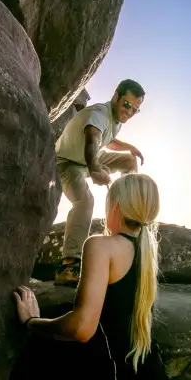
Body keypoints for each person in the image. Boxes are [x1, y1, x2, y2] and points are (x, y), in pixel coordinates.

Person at [12, 173, 170, 380]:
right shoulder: (146, 252)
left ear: (116, 208)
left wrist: (31, 322)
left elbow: (82, 327)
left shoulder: (101, 246)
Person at [54, 79, 146, 287]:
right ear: (115, 97)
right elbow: (93, 139)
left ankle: (127, 215)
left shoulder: (116, 118)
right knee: (85, 201)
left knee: (128, 161)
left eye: (135, 110)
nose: (129, 112)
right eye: (127, 105)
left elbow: (108, 139)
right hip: (68, 163)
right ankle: (68, 266)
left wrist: (130, 147)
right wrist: (95, 170)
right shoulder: (98, 114)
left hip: (92, 157)